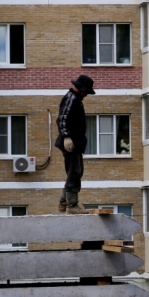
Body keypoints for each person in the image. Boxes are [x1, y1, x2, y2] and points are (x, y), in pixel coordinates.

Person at [55, 74, 96, 213]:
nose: (86, 94)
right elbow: (62, 119)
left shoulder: (76, 99)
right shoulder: (71, 98)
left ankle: (64, 201)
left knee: (75, 172)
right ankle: (72, 205)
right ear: (80, 88)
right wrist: (66, 136)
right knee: (74, 172)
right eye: (86, 91)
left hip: (75, 143)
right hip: (70, 143)